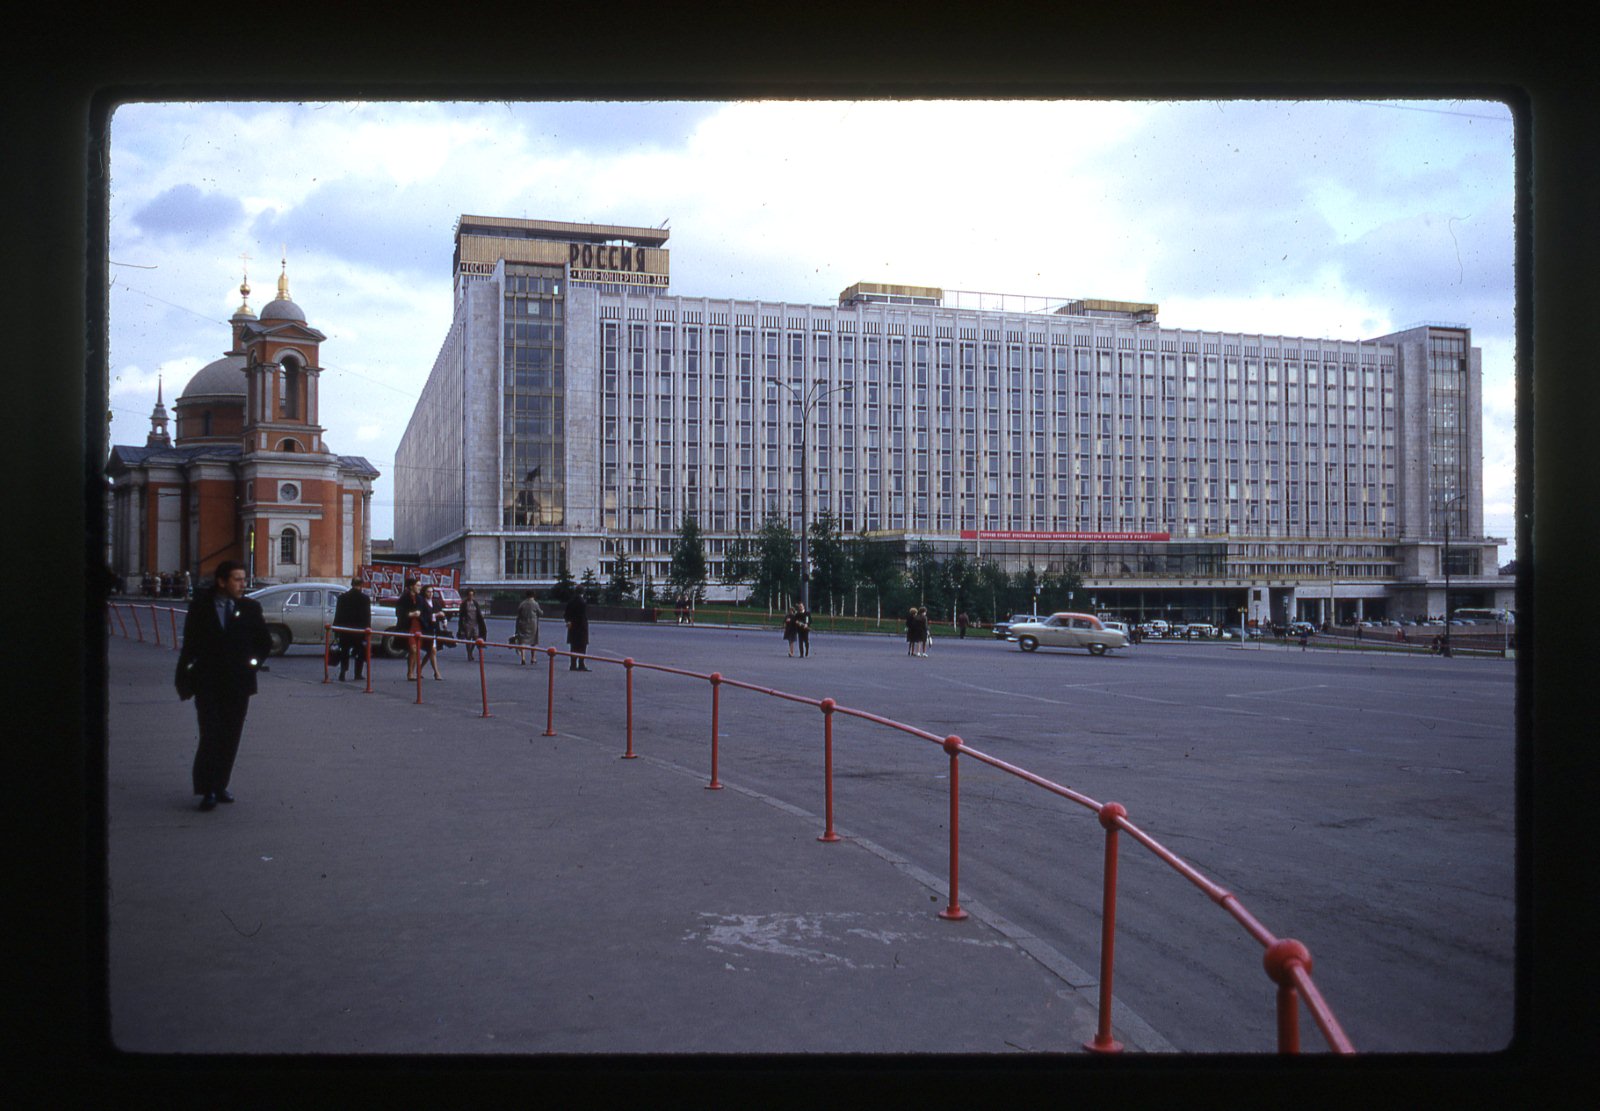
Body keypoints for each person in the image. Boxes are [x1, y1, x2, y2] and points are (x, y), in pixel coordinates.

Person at [174, 560, 271, 811]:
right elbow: (190, 646)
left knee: (230, 737)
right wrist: (183, 679)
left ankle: (220, 785)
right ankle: (207, 789)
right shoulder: (201, 608)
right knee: (210, 735)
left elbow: (264, 642)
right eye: (237, 579)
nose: (243, 584)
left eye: (243, 579)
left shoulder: (250, 608)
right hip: (208, 684)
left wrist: (252, 664)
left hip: (238, 685)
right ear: (222, 581)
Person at [332, 576, 373, 681]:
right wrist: (367, 630)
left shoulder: (342, 598)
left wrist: (336, 629)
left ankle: (343, 672)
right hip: (359, 631)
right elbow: (367, 616)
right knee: (360, 652)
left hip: (345, 630)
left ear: (352, 584)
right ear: (361, 585)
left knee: (344, 651)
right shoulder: (365, 599)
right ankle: (357, 674)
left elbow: (338, 614)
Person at [394, 578, 424, 681]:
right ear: (411, 586)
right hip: (408, 626)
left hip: (418, 626)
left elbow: (424, 610)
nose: (419, 587)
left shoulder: (420, 598)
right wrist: (410, 614)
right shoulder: (404, 598)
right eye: (417, 585)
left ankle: (412, 671)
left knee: (416, 651)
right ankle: (410, 672)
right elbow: (399, 612)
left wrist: (420, 613)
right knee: (413, 649)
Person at [419, 583, 445, 679]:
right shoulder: (422, 603)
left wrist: (444, 621)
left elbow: (441, 613)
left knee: (431, 651)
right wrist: (435, 615)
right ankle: (436, 673)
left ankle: (420, 669)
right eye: (428, 592)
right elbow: (423, 617)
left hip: (435, 629)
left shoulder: (435, 602)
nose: (430, 594)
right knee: (432, 650)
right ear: (424, 592)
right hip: (426, 629)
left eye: (432, 592)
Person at [456, 587, 488, 662]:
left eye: (472, 595)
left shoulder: (475, 603)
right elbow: (461, 615)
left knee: (476, 638)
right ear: (467, 595)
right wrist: (461, 626)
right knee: (468, 639)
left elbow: (478, 613)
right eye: (469, 595)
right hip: (467, 624)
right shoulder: (464, 604)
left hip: (475, 623)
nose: (471, 596)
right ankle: (469, 654)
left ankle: (471, 651)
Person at [513, 590, 542, 664]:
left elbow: (518, 612)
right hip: (532, 624)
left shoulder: (522, 603)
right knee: (533, 641)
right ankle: (533, 658)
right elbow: (540, 613)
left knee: (522, 640)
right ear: (533, 595)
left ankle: (523, 658)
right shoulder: (535, 603)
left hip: (522, 623)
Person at [564, 590, 591, 671]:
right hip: (581, 628)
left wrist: (568, 621)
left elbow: (566, 614)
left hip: (573, 627)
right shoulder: (582, 602)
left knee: (573, 647)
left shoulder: (571, 602)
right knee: (582, 647)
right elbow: (582, 616)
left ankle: (573, 664)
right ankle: (581, 664)